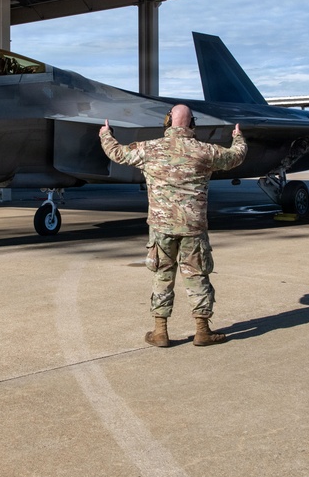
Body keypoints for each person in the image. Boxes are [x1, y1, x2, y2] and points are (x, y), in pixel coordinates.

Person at [99, 105, 246, 347]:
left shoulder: (150, 149)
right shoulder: (205, 151)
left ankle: (160, 332)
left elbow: (117, 154)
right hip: (193, 228)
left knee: (162, 276)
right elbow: (236, 156)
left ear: (168, 121)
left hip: (161, 228)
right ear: (192, 124)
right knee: (197, 276)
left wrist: (106, 133)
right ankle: (202, 331)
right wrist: (238, 136)